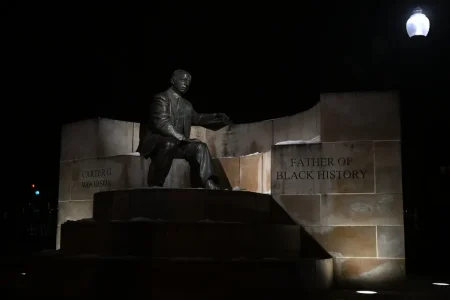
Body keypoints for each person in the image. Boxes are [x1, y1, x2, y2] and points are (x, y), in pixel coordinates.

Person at [136, 69, 231, 189]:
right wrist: (183, 138)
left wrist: (217, 118)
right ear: (172, 80)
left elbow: (198, 118)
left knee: (200, 147)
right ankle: (156, 184)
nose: (186, 83)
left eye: (188, 81)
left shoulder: (187, 105)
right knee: (169, 143)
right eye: (183, 80)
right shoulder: (161, 98)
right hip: (158, 144)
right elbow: (162, 123)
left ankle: (208, 182)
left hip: (179, 144)